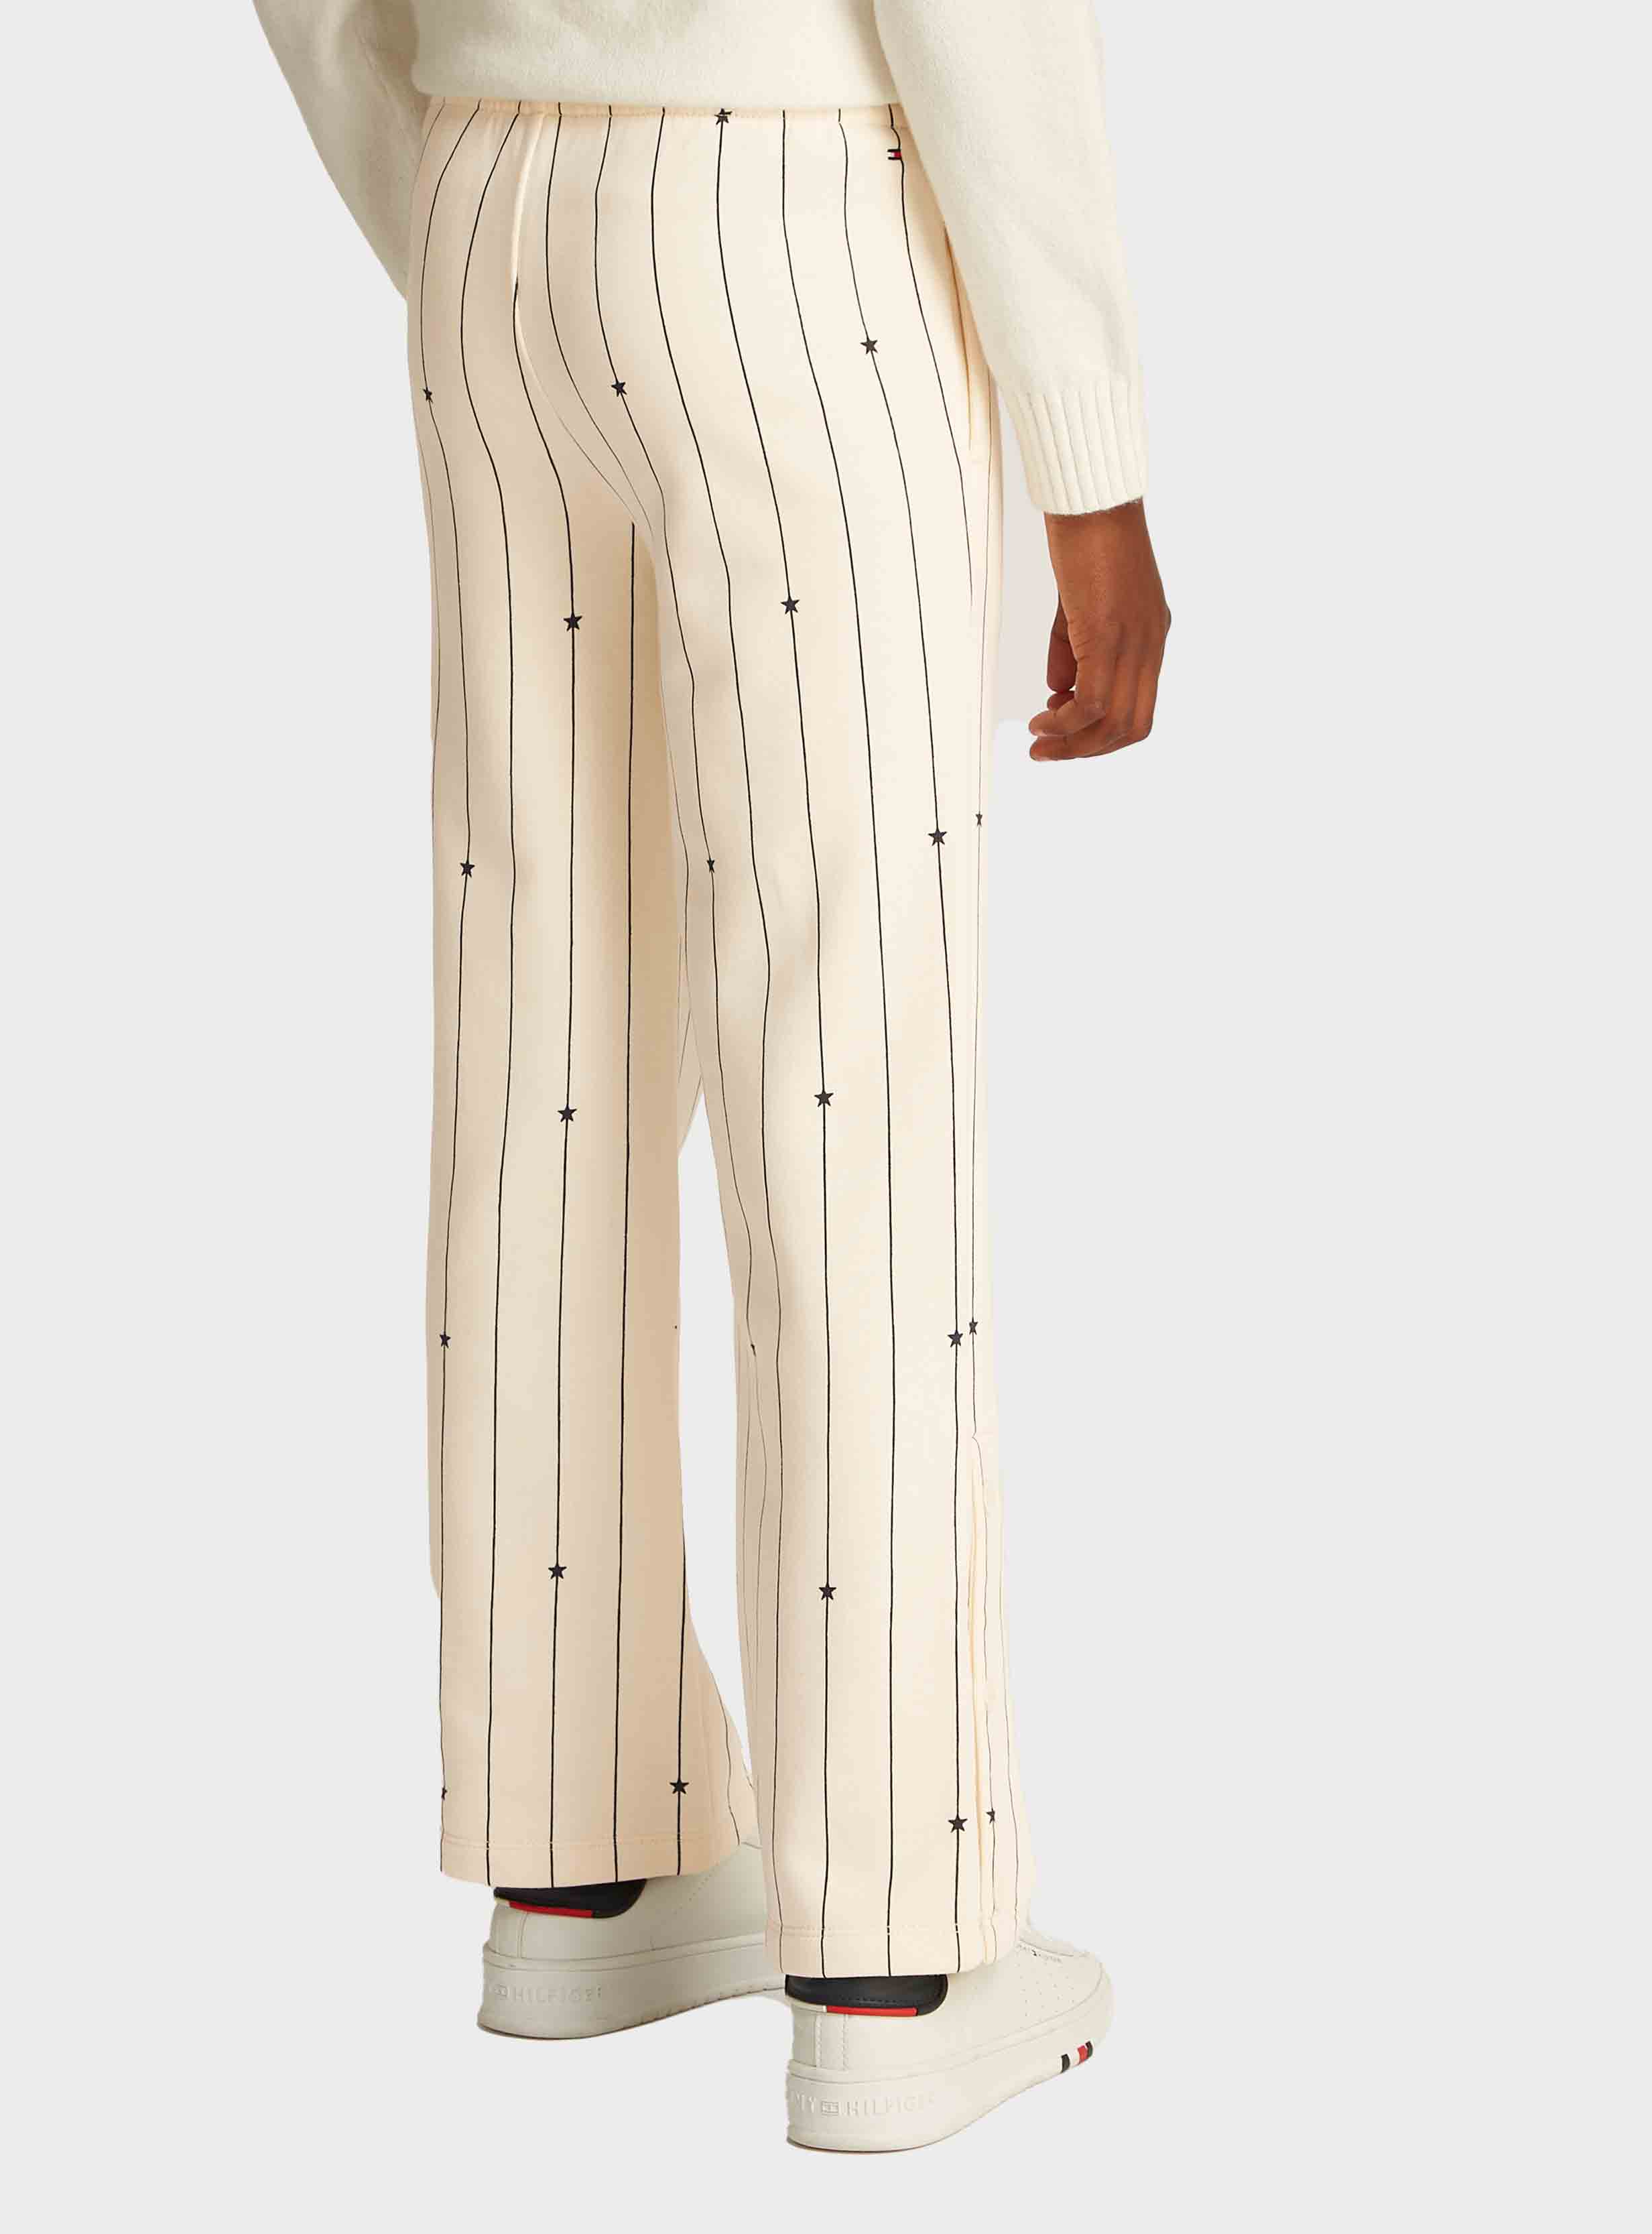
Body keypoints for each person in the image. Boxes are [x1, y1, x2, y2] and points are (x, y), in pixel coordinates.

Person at [254, 0, 1169, 2152]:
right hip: (789, 208)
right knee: (847, 1065)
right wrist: (1091, 451)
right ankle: (896, 1955)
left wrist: (472, 188)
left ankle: (584, 1857)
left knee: (544, 1038)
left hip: (488, 219)